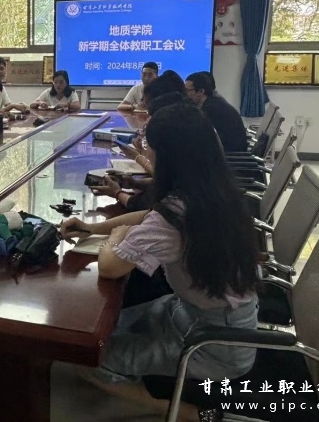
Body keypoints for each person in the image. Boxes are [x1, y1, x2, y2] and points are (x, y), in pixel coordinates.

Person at [62, 104, 259, 420]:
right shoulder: (211, 190)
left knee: (87, 359)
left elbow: (110, 267)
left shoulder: (176, 214)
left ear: (168, 158)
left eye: (148, 148)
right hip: (205, 316)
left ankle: (186, 412)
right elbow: (149, 215)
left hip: (213, 344)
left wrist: (115, 239)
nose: (144, 154)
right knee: (106, 328)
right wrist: (93, 228)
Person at [185, 72, 248, 152]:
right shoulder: (214, 102)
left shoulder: (212, 109)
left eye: (187, 90)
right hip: (226, 152)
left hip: (230, 155)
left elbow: (198, 135)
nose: (185, 94)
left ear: (201, 91)